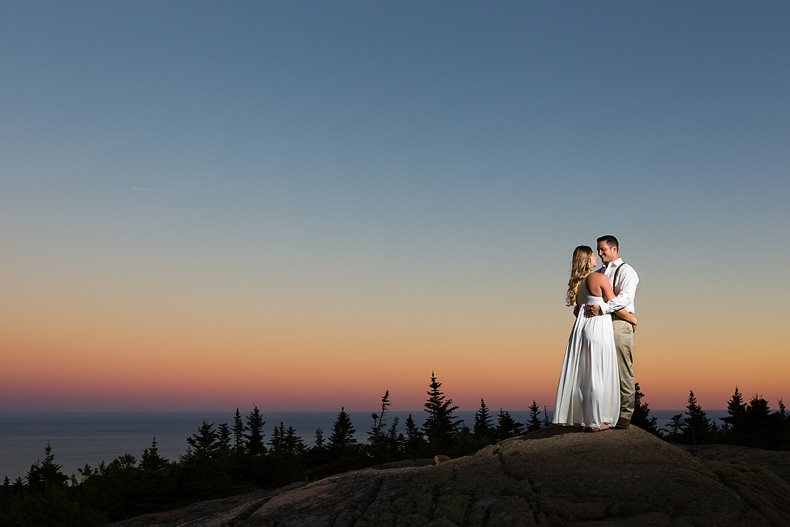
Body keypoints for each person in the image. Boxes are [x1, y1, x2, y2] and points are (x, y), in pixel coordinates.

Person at [553, 245, 638, 431]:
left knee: (586, 376)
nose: (597, 256)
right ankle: (597, 422)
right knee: (599, 375)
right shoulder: (599, 277)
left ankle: (587, 419)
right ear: (587, 258)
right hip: (598, 329)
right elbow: (614, 304)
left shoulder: (578, 282)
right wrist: (633, 319)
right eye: (593, 253)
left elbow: (578, 310)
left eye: (600, 251)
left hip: (582, 329)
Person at [583, 235, 639, 429]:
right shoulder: (599, 272)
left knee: (622, 367)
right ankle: (605, 413)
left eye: (603, 250)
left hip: (619, 322)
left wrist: (602, 308)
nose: (599, 253)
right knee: (604, 368)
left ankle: (624, 415)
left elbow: (625, 298)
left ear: (614, 249)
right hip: (601, 323)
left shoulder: (627, 271)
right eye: (597, 250)